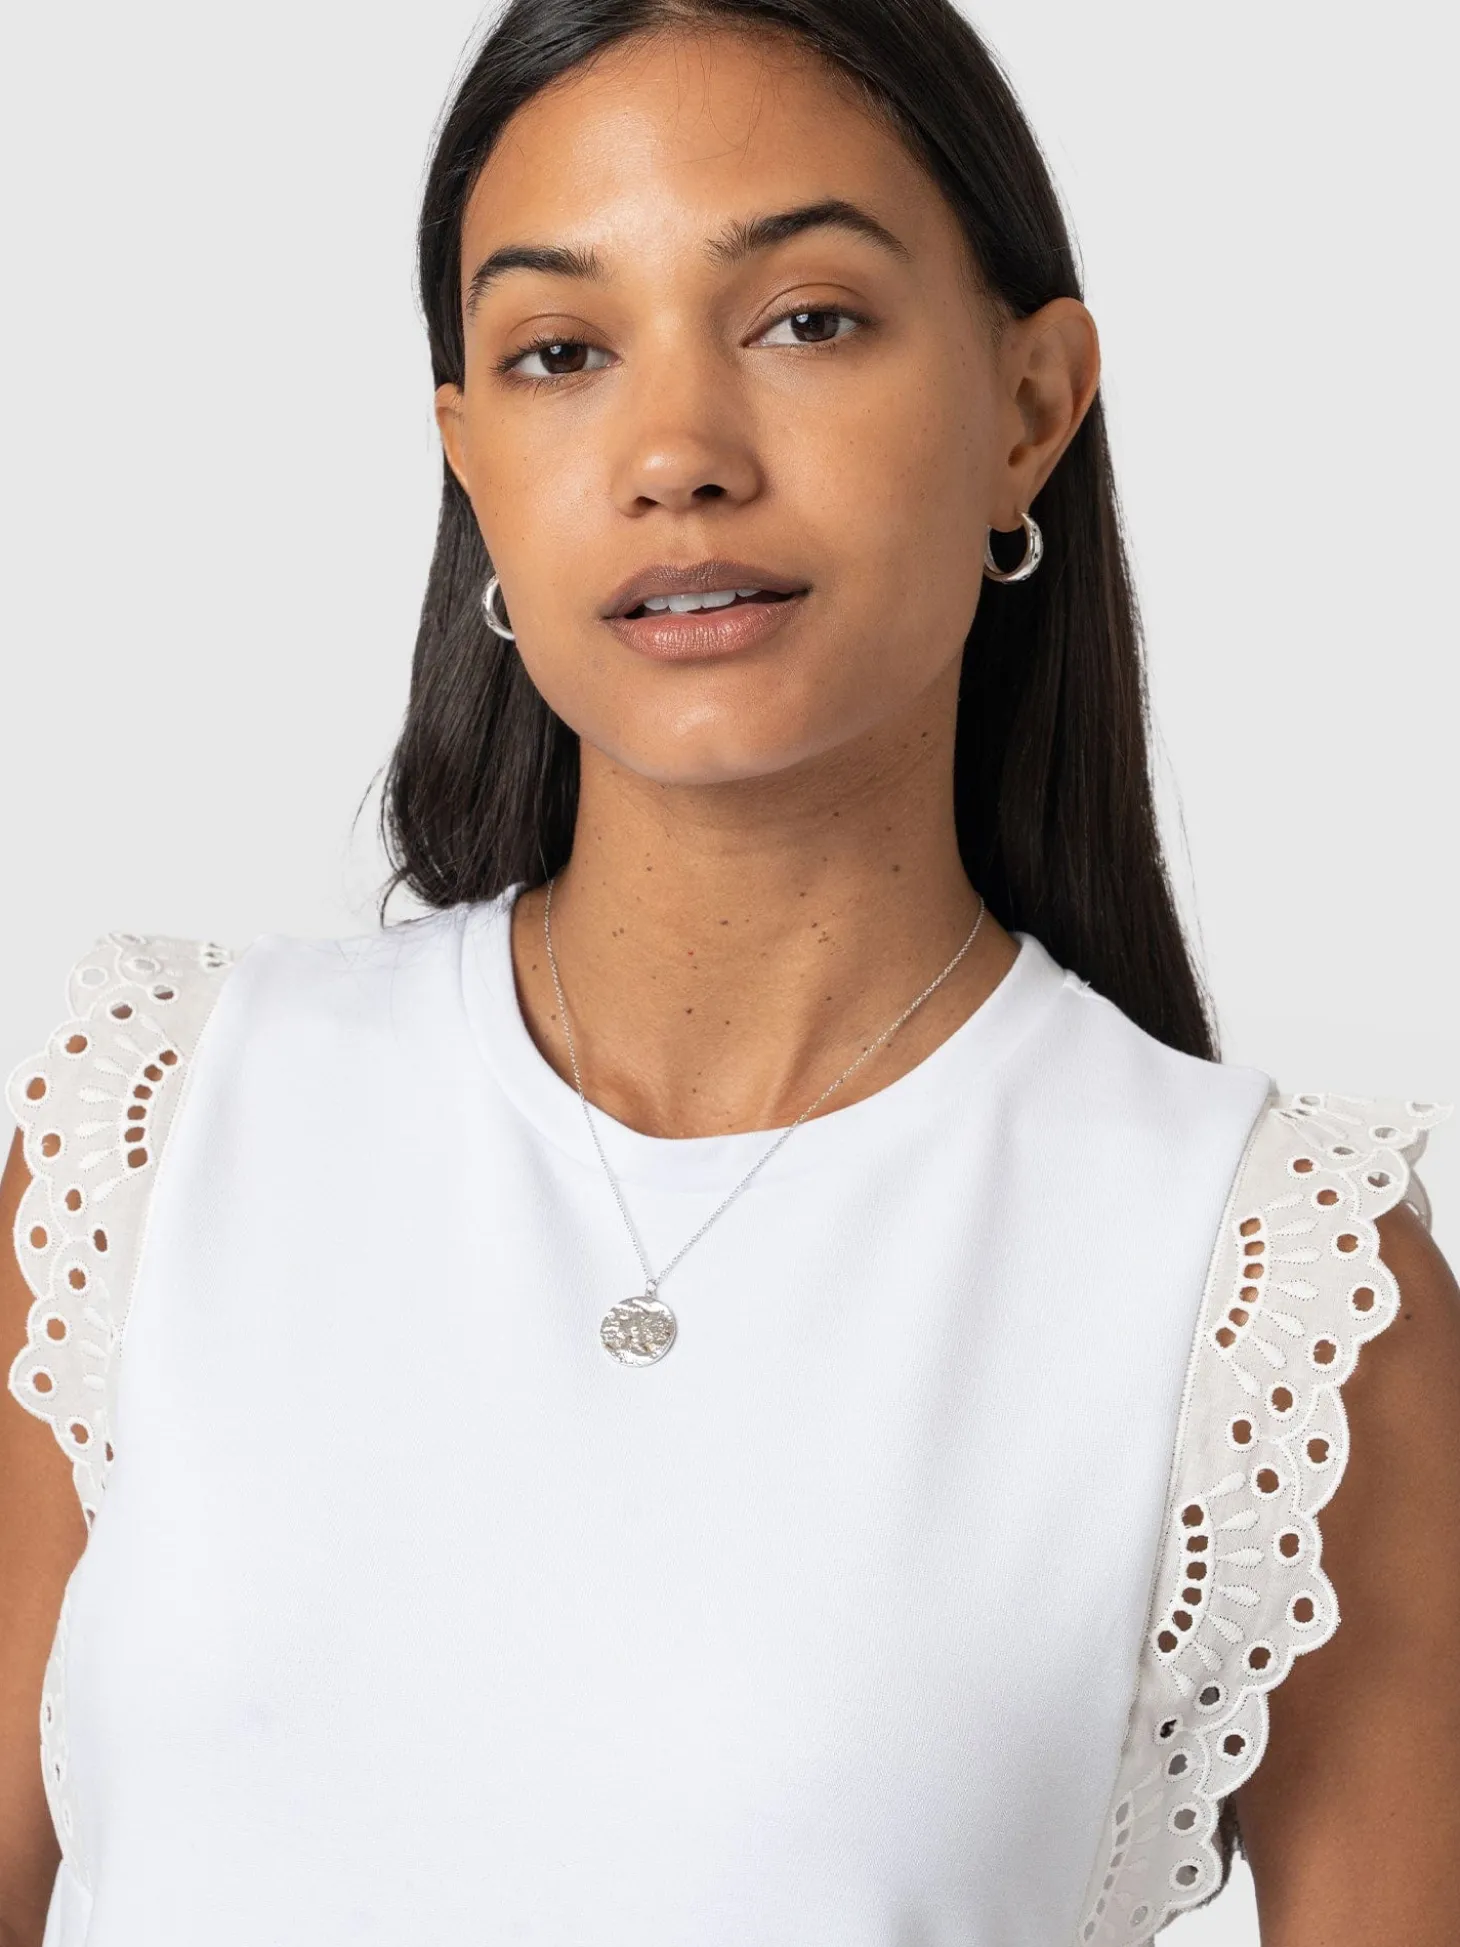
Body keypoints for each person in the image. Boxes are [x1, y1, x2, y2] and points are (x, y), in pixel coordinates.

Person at [2, 1, 1457, 1941]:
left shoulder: (1275, 1285)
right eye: (560, 351)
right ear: (469, 459)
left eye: (805, 320)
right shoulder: (159, 1137)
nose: (676, 452)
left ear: (1030, 406)